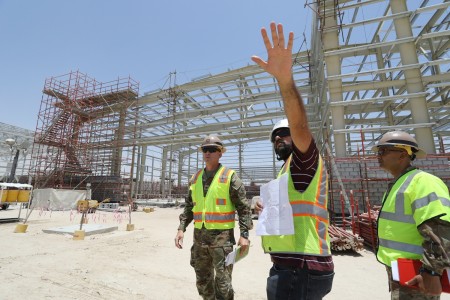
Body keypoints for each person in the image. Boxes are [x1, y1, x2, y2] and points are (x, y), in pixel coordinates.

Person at [252, 22, 334, 300]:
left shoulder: (304, 161)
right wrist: (264, 206)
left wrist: (284, 80)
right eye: (275, 137)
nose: (279, 140)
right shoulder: (287, 171)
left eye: (284, 135)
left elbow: (300, 128)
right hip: (290, 264)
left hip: (301, 266)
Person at [372, 130, 450, 299]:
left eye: (383, 151)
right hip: (403, 270)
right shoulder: (398, 184)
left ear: (402, 154)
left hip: (419, 273)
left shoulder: (423, 182)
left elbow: (440, 228)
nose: (378, 155)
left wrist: (432, 271)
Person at [174, 135, 253, 300]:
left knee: (223, 283)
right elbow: (189, 206)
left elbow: (243, 207)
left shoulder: (230, 177)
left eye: (212, 150)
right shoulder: (195, 179)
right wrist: (181, 228)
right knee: (203, 281)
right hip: (199, 240)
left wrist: (244, 235)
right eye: (205, 150)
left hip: (221, 241)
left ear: (220, 153)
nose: (207, 153)